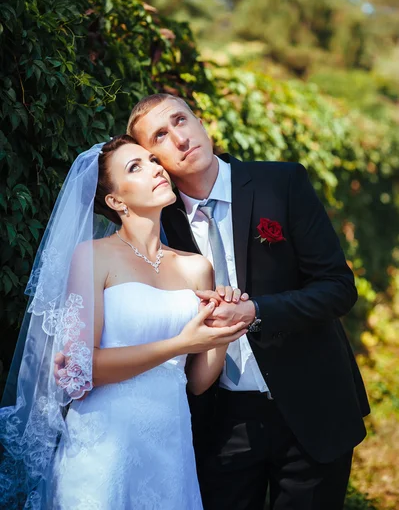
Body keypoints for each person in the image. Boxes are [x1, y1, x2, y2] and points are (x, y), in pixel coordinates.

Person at [123, 93, 370, 510]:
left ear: (201, 122)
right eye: (161, 136)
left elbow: (337, 287)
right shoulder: (157, 221)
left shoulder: (282, 183)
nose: (180, 139)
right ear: (154, 161)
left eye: (181, 121)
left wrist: (257, 312)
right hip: (222, 420)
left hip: (311, 405)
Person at [0, 135, 248, 510]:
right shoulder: (93, 257)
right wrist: (182, 343)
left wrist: (225, 331)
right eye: (136, 167)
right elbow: (83, 370)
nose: (155, 169)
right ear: (116, 201)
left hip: (170, 443)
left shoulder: (197, 267)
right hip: (103, 445)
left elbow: (196, 382)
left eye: (152, 160)